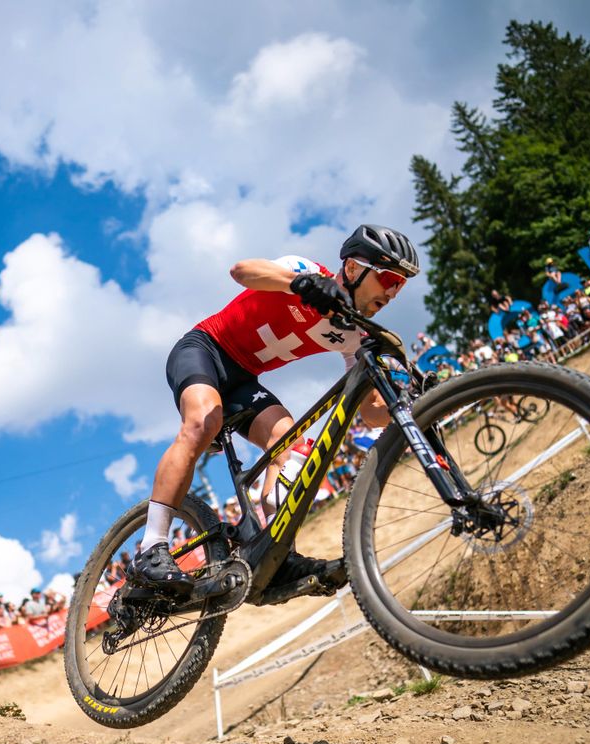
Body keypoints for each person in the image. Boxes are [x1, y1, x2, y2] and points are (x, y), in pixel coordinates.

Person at [133, 224, 418, 593]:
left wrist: (410, 397)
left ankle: (276, 557)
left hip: (243, 381)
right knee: (204, 422)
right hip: (204, 350)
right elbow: (242, 271)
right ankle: (151, 547)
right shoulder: (307, 271)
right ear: (352, 269)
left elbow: (369, 413)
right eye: (389, 279)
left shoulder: (352, 334)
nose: (394, 292)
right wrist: (297, 283)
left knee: (293, 449)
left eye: (401, 285)